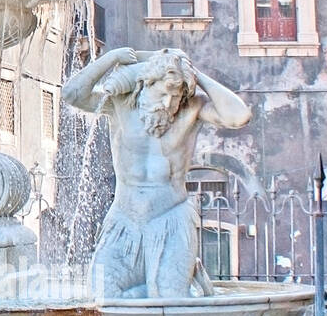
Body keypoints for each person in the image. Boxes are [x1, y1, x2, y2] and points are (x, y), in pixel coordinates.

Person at [61, 47, 252, 298]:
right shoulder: (119, 103)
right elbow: (72, 94)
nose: (169, 104)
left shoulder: (191, 108)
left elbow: (239, 116)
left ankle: (173, 280)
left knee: (169, 300)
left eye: (176, 97)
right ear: (147, 83)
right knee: (102, 297)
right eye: (164, 94)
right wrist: (112, 58)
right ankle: (183, 283)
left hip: (171, 219)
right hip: (124, 221)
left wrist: (196, 74)